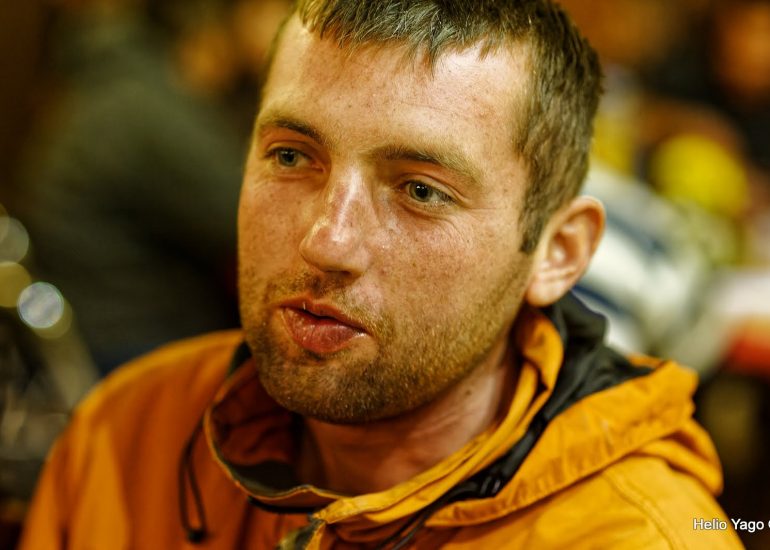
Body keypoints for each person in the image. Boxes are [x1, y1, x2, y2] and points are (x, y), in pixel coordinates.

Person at [19, 0, 743, 548]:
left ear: (558, 252)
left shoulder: (637, 534)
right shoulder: (128, 436)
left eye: (421, 190)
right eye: (291, 156)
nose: (327, 242)